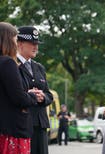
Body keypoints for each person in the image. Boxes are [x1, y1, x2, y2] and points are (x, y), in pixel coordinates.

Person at [0, 22, 43, 154]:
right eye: (15, 39)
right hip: (12, 131)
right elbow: (19, 98)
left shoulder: (39, 67)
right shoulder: (7, 63)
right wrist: (32, 96)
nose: (15, 43)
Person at [17, 26, 53, 154]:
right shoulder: (11, 65)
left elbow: (49, 94)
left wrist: (43, 97)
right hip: (22, 124)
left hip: (40, 124)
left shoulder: (39, 67)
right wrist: (29, 95)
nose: (36, 47)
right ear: (20, 43)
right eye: (32, 43)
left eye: (37, 43)